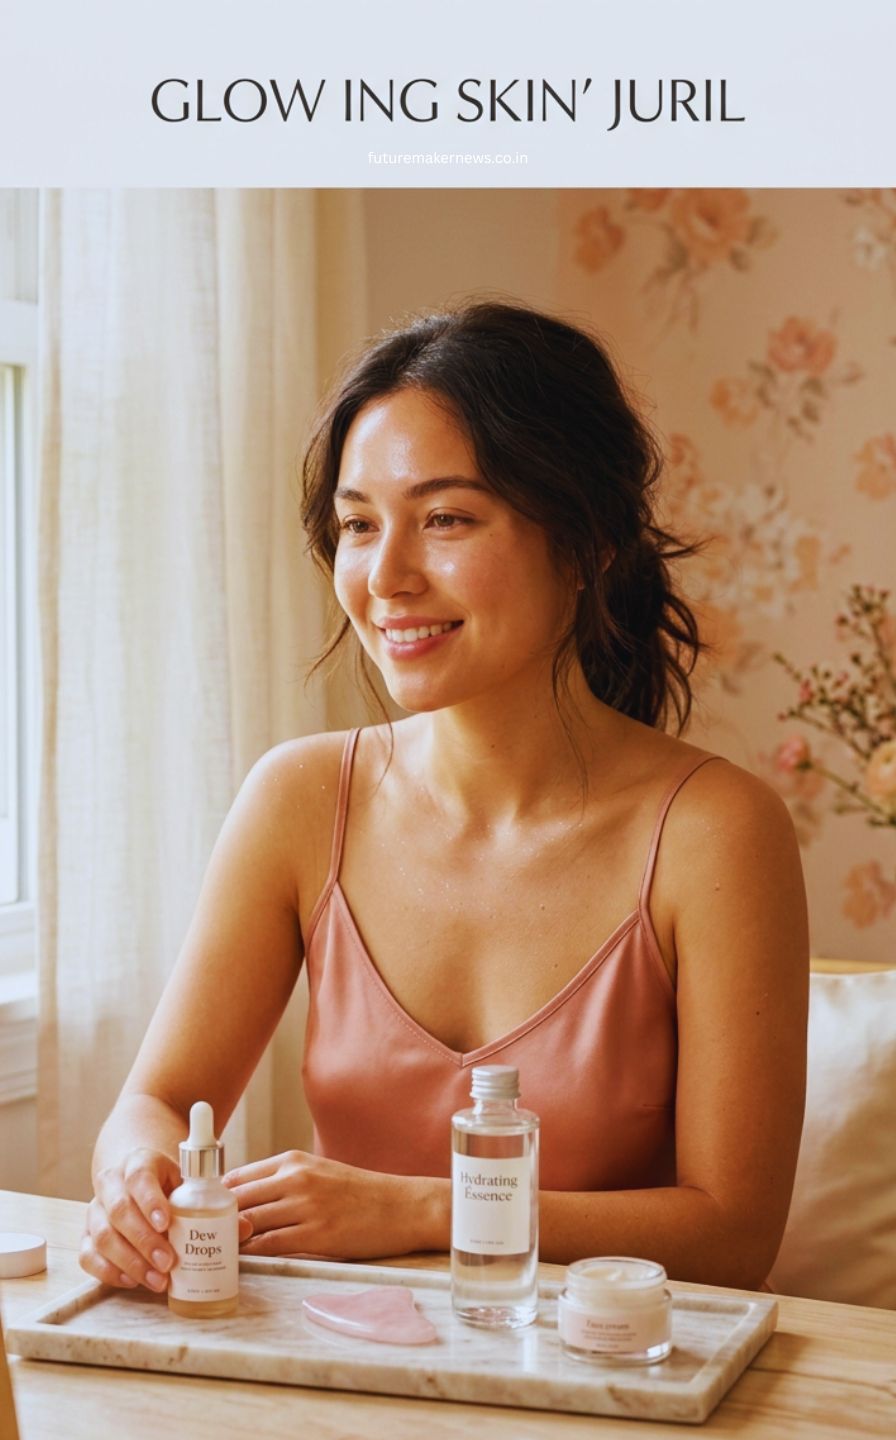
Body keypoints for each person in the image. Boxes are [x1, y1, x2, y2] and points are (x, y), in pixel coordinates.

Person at [82, 301, 808, 1296]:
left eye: (445, 519)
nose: (386, 576)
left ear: (588, 537)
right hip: (342, 1376)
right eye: (357, 525)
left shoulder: (713, 832)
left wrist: (419, 1207)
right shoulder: (298, 799)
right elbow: (157, 1101)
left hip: (609, 1389)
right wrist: (135, 1175)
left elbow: (731, 1235)